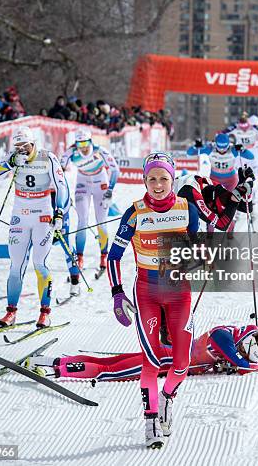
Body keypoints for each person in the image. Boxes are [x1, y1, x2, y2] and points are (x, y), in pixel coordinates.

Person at [107, 151, 199, 449]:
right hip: (146, 291)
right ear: (144, 180)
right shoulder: (134, 212)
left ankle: (167, 397)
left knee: (182, 363)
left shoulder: (188, 210)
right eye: (151, 178)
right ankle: (150, 420)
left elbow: (197, 249)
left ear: (173, 179)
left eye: (163, 178)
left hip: (178, 291)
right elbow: (113, 258)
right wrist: (117, 293)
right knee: (152, 359)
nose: (157, 184)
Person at [0, 126, 70, 328]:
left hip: (42, 216)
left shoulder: (47, 157)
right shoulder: (13, 157)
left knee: (40, 264)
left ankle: (45, 313)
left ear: (33, 143)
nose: (21, 150)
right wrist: (9, 163)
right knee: (15, 266)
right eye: (17, 146)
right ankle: (11, 312)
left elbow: (62, 187)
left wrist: (60, 212)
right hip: (19, 217)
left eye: (24, 145)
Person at [26, 323, 258, 381]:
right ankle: (57, 370)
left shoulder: (227, 334)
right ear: (245, 340)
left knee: (109, 361)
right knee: (107, 370)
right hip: (163, 360)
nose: (247, 354)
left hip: (165, 354)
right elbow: (243, 365)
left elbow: (235, 365)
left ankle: (50, 361)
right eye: (250, 349)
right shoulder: (224, 338)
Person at [60, 128, 119, 279]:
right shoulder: (70, 152)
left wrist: (110, 190)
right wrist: (63, 192)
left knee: (101, 222)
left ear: (91, 141)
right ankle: (79, 257)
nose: (84, 148)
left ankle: (104, 256)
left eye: (86, 143)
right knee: (82, 222)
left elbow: (115, 170)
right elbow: (58, 172)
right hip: (83, 183)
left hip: (101, 184)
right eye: (80, 144)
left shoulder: (100, 151)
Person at [173, 168, 254, 232]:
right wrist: (236, 197)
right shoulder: (194, 195)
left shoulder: (215, 188)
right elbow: (222, 225)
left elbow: (246, 208)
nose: (219, 213)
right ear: (211, 205)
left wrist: (244, 185)